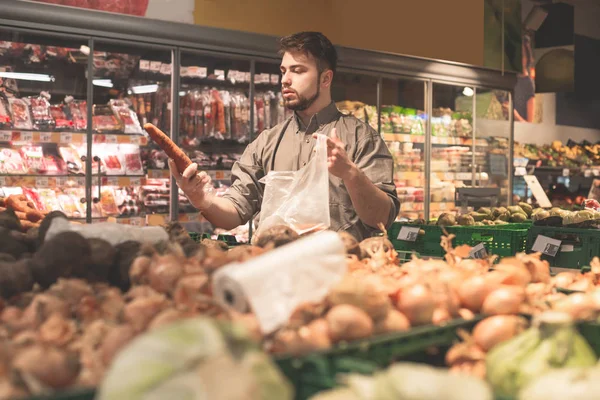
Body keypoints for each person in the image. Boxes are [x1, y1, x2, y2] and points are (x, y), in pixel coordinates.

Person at [169, 31, 399, 241]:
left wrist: (350, 173)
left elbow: (381, 217)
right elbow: (234, 213)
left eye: (298, 70)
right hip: (272, 274)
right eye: (283, 70)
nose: (285, 79)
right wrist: (202, 199)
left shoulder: (362, 138)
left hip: (338, 276)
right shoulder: (267, 142)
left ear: (325, 79)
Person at [513, 34, 536, 123]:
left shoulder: (529, 84)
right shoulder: (511, 79)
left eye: (521, 55)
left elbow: (529, 124)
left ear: (527, 58)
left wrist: (515, 115)